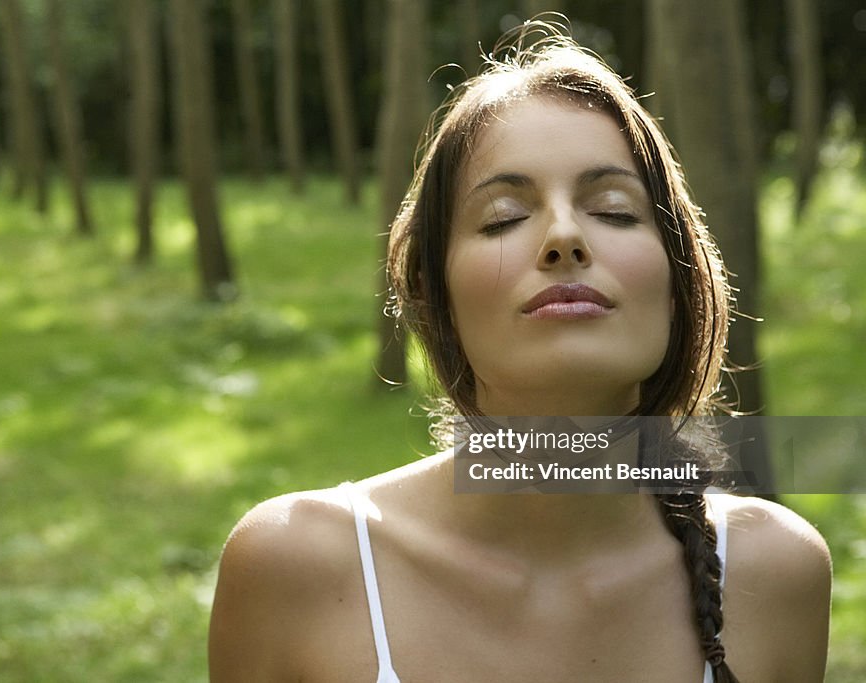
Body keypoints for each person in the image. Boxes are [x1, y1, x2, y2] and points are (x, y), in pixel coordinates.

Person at [207, 25, 831, 683]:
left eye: (615, 211)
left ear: (678, 285)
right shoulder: (293, 567)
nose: (564, 236)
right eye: (503, 217)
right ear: (431, 295)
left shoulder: (776, 573)